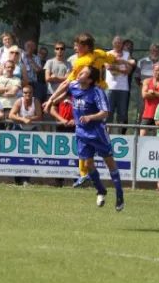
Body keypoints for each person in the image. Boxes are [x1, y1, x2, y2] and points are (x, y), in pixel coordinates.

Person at [43, 33, 129, 189]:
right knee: (89, 133)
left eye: (78, 45)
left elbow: (66, 84)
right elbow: (114, 60)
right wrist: (128, 62)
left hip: (89, 95)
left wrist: (50, 100)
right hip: (102, 92)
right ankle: (87, 174)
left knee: (85, 133)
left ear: (86, 47)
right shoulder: (101, 53)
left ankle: (85, 174)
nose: (75, 48)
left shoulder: (82, 62)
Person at [51, 65, 125, 211]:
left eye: (84, 73)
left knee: (109, 163)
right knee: (88, 165)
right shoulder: (74, 86)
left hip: (97, 132)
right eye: (81, 71)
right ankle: (101, 190)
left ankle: (120, 194)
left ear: (90, 80)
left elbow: (105, 113)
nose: (80, 73)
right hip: (81, 132)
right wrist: (51, 101)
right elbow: (66, 91)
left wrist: (91, 116)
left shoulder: (97, 92)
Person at [9, 86, 43, 186]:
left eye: (29, 93)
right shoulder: (19, 102)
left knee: (30, 156)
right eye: (25, 93)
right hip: (19, 130)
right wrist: (23, 119)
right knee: (17, 155)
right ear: (22, 93)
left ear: (32, 93)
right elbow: (11, 115)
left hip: (32, 130)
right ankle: (17, 180)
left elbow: (40, 115)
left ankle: (26, 179)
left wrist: (31, 118)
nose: (27, 95)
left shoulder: (35, 101)